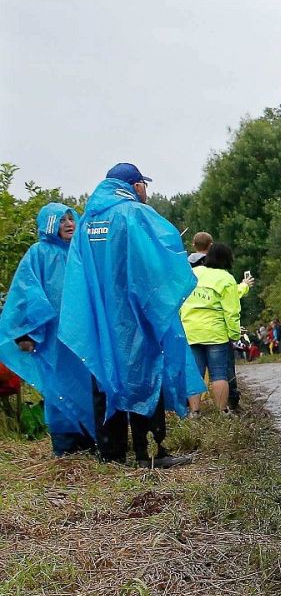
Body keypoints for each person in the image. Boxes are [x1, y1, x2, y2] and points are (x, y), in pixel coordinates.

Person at [57, 164, 203, 468]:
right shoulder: (134, 214)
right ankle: (149, 451)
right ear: (135, 186)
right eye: (144, 185)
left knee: (104, 377)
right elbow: (165, 252)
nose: (146, 192)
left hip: (100, 319)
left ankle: (111, 454)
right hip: (135, 317)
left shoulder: (86, 223)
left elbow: (77, 275)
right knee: (144, 376)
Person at [0, 203, 95, 456]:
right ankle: (65, 445)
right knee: (57, 385)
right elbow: (24, 293)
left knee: (86, 383)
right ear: (49, 224)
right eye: (62, 220)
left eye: (71, 219)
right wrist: (25, 332)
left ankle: (90, 440)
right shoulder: (38, 254)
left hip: (82, 335)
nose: (69, 224)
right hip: (52, 338)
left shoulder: (82, 253)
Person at [180, 242, 246, 413]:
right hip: (215, 333)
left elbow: (180, 303)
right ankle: (222, 412)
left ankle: (194, 412)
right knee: (218, 375)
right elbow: (231, 311)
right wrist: (234, 334)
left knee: (195, 374)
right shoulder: (226, 279)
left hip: (191, 331)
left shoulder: (191, 273)